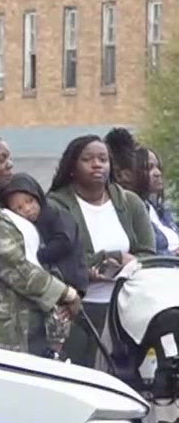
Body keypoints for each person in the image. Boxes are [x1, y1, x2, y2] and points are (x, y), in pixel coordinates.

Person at [0, 134, 77, 355]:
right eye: (1, 159)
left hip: (14, 324)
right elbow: (16, 267)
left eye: (9, 158)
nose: (10, 164)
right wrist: (66, 293)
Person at [49, 134, 159, 365]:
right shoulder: (55, 206)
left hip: (125, 309)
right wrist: (116, 258)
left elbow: (148, 256)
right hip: (79, 311)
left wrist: (130, 263)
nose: (97, 164)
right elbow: (59, 261)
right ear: (72, 167)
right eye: (87, 159)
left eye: (103, 159)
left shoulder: (130, 203)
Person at [0, 174, 79, 355]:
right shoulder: (15, 227)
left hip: (65, 287)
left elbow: (65, 243)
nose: (27, 209)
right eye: (19, 207)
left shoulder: (55, 215)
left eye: (30, 201)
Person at [118, 133, 179, 255]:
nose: (157, 173)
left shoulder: (158, 209)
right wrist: (172, 255)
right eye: (149, 168)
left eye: (158, 167)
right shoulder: (130, 211)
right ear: (128, 174)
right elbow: (146, 254)